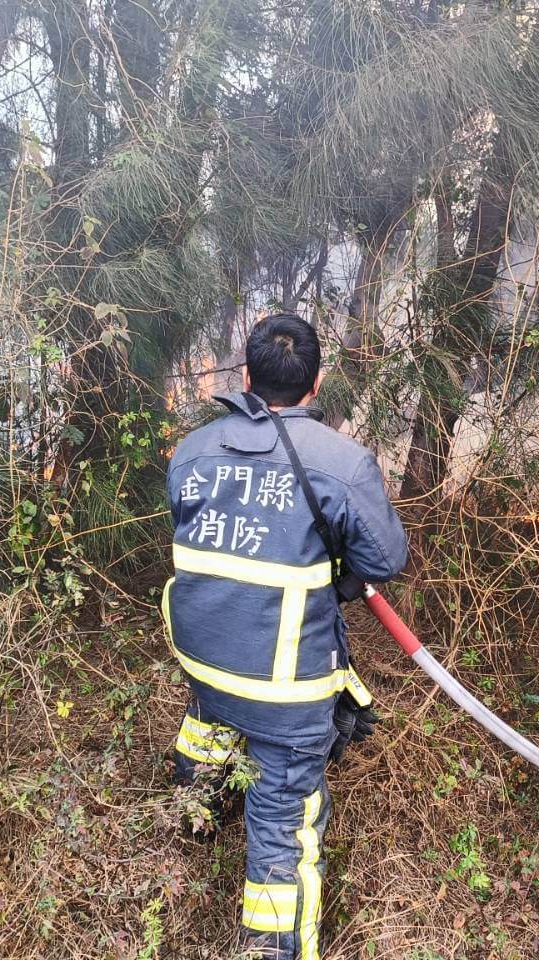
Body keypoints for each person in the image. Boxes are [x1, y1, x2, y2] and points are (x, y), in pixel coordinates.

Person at [161, 313, 408, 960]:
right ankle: (274, 948)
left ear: (245, 376)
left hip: (202, 660)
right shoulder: (344, 463)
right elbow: (383, 561)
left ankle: (195, 805)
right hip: (285, 689)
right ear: (317, 380)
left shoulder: (192, 450)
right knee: (281, 824)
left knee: (209, 715)